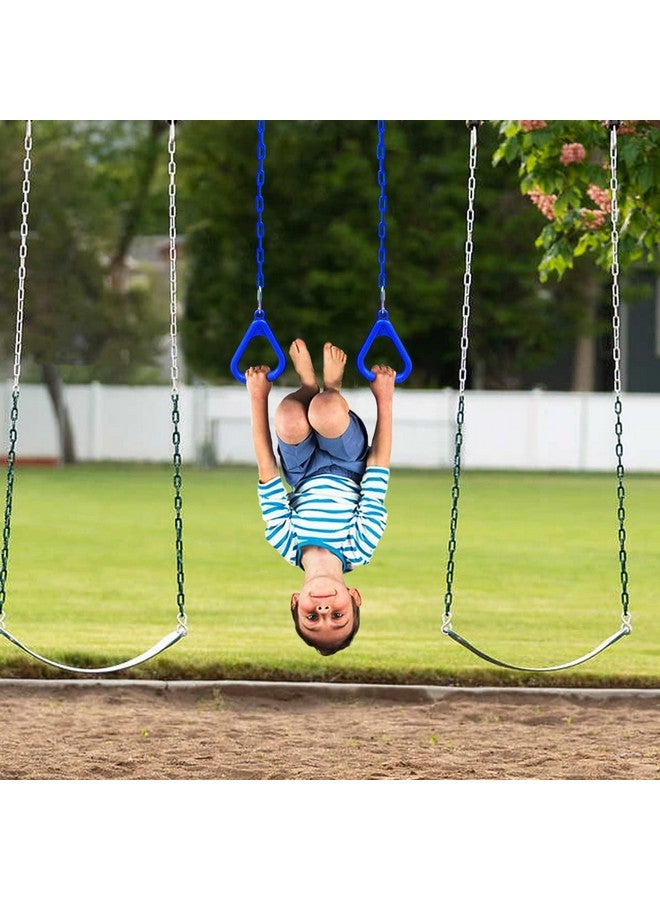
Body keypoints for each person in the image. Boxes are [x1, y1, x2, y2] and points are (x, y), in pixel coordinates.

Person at [246, 338, 395, 655]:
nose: (324, 611)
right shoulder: (359, 547)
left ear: (295, 601)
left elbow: (268, 471)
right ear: (354, 597)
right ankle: (332, 389)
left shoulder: (285, 542)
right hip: (348, 464)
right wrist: (385, 397)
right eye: (338, 616)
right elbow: (378, 469)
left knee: (288, 417)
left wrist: (257, 398)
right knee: (326, 413)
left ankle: (307, 385)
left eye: (311, 616)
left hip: (301, 472)